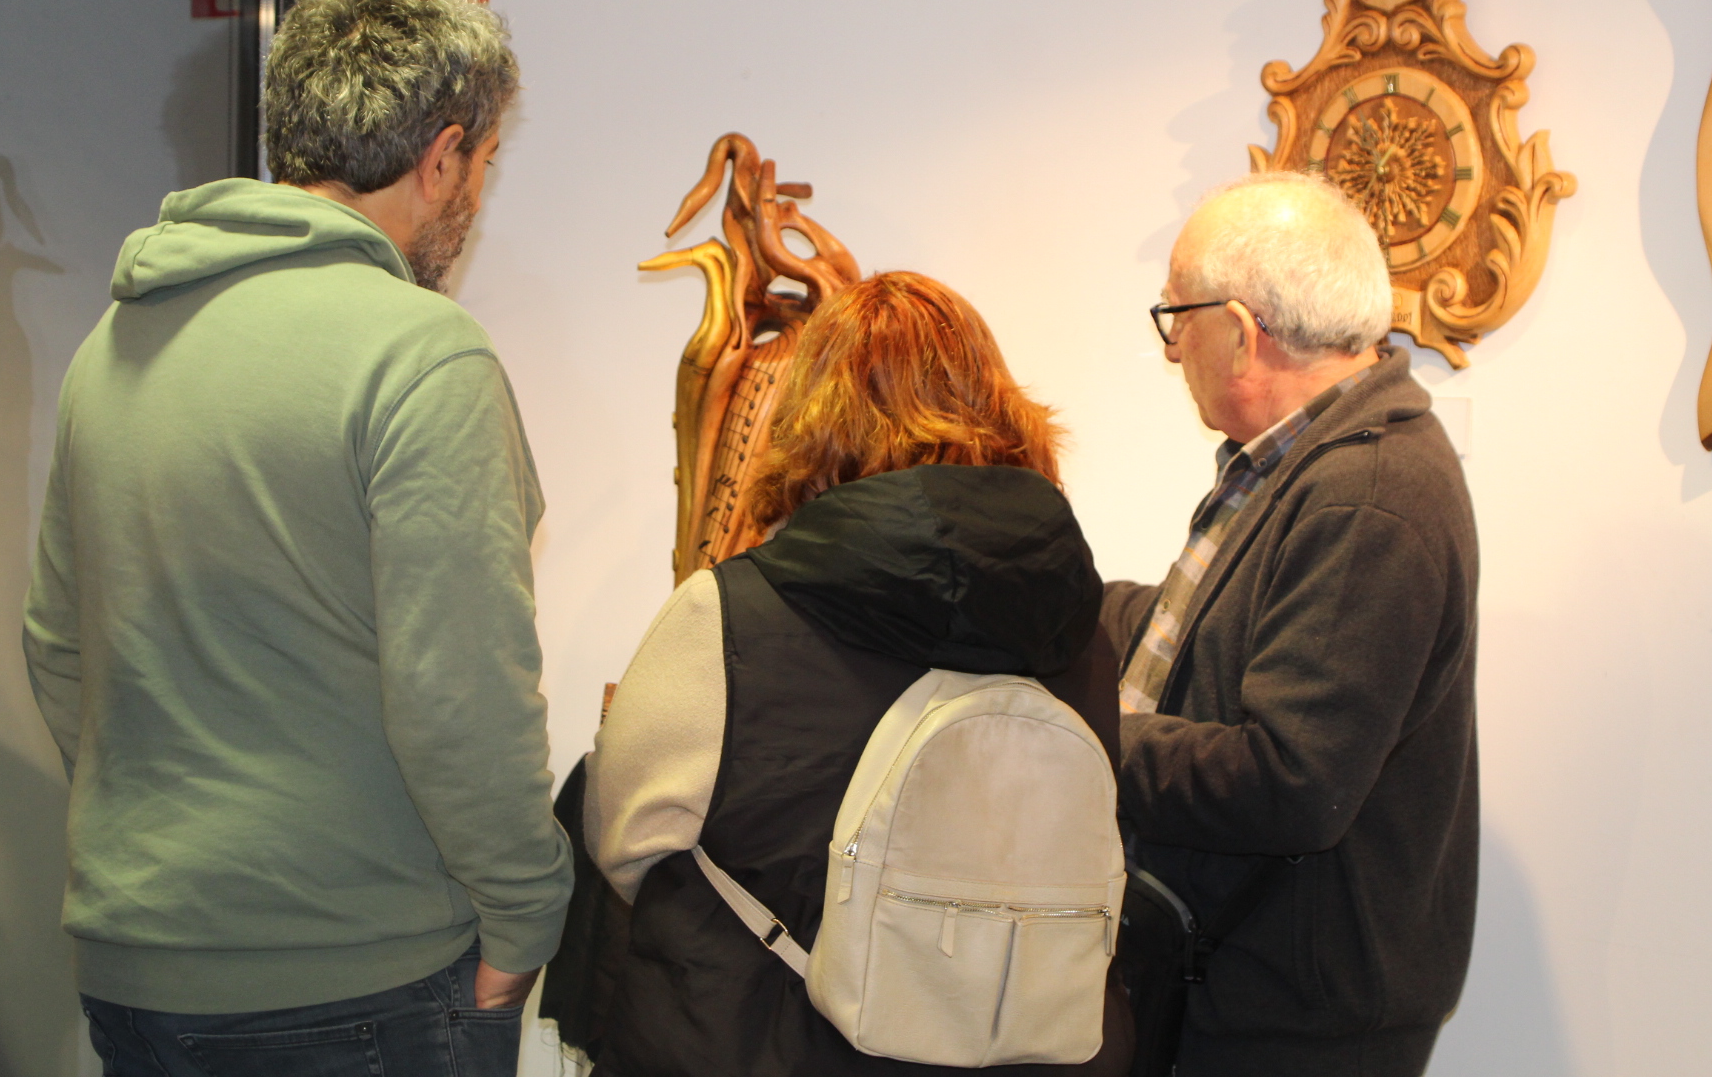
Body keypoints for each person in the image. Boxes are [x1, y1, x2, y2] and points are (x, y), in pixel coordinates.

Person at [21, 0, 571, 1076]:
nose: (474, 199)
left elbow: (56, 646)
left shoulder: (113, 345)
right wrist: (525, 918)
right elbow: (460, 692)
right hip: (358, 978)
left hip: (138, 973)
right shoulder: (422, 355)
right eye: (482, 162)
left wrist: (179, 845)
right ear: (441, 156)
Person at [583, 271, 1130, 1076]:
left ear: (811, 418)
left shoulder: (726, 614)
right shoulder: (1078, 632)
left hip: (750, 1038)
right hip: (1009, 1052)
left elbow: (624, 840)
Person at [1105, 172, 1478, 1076]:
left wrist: (1077, 738)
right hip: (1257, 986)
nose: (1172, 351)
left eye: (1176, 317)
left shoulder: (1366, 496)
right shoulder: (1301, 464)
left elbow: (1289, 781)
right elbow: (1204, 633)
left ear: (1241, 330)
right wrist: (1054, 602)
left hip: (1294, 1021)